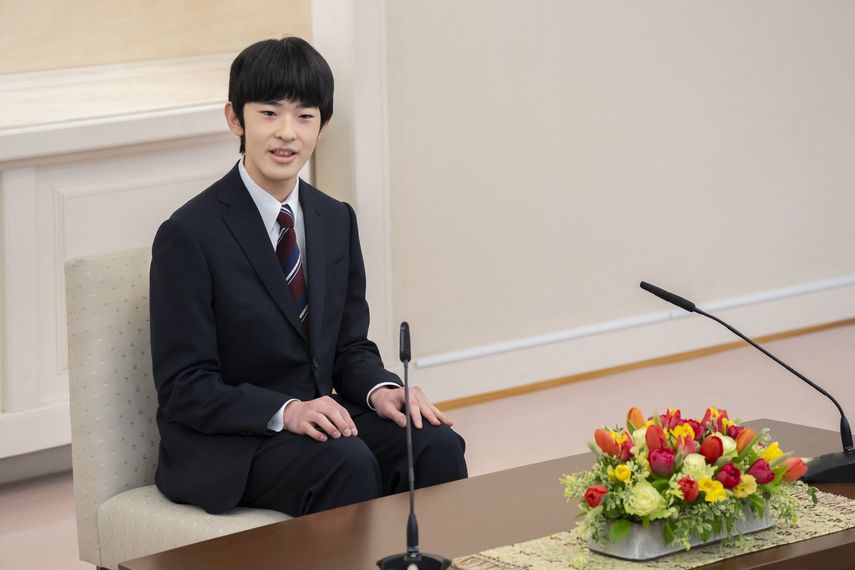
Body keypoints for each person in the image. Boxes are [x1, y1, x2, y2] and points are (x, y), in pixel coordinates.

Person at [149, 36, 467, 516]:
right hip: (234, 443)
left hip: (320, 421)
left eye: (304, 116)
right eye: (269, 113)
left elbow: (348, 348)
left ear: (324, 125)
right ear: (235, 118)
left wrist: (382, 390)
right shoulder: (188, 234)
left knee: (435, 444)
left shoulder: (335, 219)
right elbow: (184, 386)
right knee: (346, 462)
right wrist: (288, 411)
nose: (287, 133)